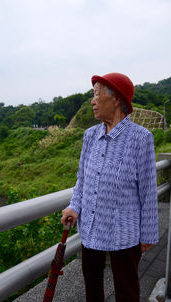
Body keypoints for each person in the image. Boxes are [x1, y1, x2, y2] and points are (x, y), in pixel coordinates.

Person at [61, 72, 159, 302]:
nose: (92, 101)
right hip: (91, 227)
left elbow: (147, 191)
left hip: (124, 230)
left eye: (96, 94)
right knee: (92, 289)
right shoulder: (90, 135)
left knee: (127, 291)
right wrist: (74, 206)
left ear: (117, 99)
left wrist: (148, 233)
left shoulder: (141, 138)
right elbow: (82, 178)